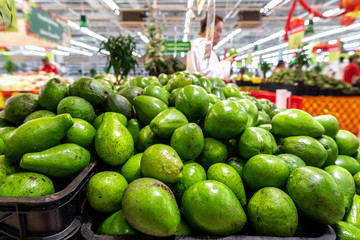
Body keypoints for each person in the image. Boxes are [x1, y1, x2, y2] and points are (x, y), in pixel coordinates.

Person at [186, 14, 237, 80]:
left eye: (220, 31)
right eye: (218, 30)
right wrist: (226, 63)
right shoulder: (201, 46)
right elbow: (206, 73)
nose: (219, 34)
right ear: (208, 29)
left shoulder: (204, 47)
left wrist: (224, 63)